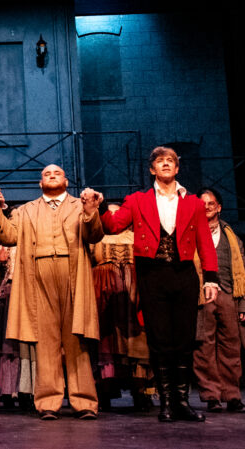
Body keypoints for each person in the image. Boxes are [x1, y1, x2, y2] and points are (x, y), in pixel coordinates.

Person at [100, 146, 220, 423]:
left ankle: (182, 402)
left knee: (184, 340)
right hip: (152, 275)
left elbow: (204, 241)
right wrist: (101, 207)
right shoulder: (137, 200)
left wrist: (211, 279)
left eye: (170, 161)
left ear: (177, 168)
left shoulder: (193, 203)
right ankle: (166, 402)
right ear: (152, 169)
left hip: (184, 274)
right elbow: (113, 226)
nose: (166, 164)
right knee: (160, 339)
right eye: (160, 161)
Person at [0, 164, 104, 420]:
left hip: (73, 275)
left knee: (76, 340)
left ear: (67, 181)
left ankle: (84, 401)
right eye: (46, 174)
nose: (51, 175)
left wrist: (91, 211)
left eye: (57, 173)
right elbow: (8, 236)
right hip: (38, 277)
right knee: (46, 342)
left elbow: (94, 235)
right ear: (40, 183)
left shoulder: (79, 206)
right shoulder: (26, 210)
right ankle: (48, 402)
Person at [193, 187, 245, 414]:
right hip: (202, 296)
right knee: (204, 348)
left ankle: (232, 396)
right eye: (203, 204)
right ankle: (212, 397)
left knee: (231, 348)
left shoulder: (232, 237)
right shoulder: (191, 232)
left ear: (218, 207)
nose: (207, 207)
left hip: (228, 294)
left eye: (211, 203)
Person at [89, 204, 154, 412]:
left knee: (136, 342)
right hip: (103, 292)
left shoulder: (136, 236)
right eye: (111, 212)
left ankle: (140, 391)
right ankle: (104, 392)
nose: (115, 216)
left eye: (119, 213)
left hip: (133, 293)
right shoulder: (96, 237)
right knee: (106, 342)